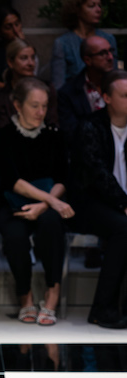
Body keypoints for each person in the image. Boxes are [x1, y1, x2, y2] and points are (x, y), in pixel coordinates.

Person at [0, 77, 74, 326]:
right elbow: (12, 181)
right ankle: (24, 296)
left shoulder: (55, 136)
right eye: (34, 106)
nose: (41, 112)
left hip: (48, 203)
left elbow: (63, 178)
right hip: (13, 201)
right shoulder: (2, 136)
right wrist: (51, 201)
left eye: (44, 106)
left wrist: (46, 205)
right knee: (15, 235)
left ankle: (52, 292)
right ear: (18, 105)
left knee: (51, 224)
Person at [69, 70, 127, 328]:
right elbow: (97, 175)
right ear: (107, 97)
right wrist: (124, 203)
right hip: (91, 204)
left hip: (120, 204)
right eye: (125, 95)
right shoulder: (90, 127)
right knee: (123, 229)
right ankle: (102, 309)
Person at [0, 39, 58, 129]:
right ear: (10, 62)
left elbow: (52, 122)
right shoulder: (1, 97)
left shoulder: (47, 89)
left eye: (33, 58)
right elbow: (3, 129)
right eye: (24, 58)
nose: (31, 63)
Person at [50, 0, 117, 90]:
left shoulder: (108, 39)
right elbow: (58, 84)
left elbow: (114, 77)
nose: (98, 10)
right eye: (91, 6)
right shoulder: (63, 43)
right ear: (77, 10)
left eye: (100, 6)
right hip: (74, 95)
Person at [58, 34, 114, 139]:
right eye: (103, 53)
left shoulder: (120, 85)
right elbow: (71, 133)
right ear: (88, 60)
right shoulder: (68, 93)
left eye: (111, 51)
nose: (110, 57)